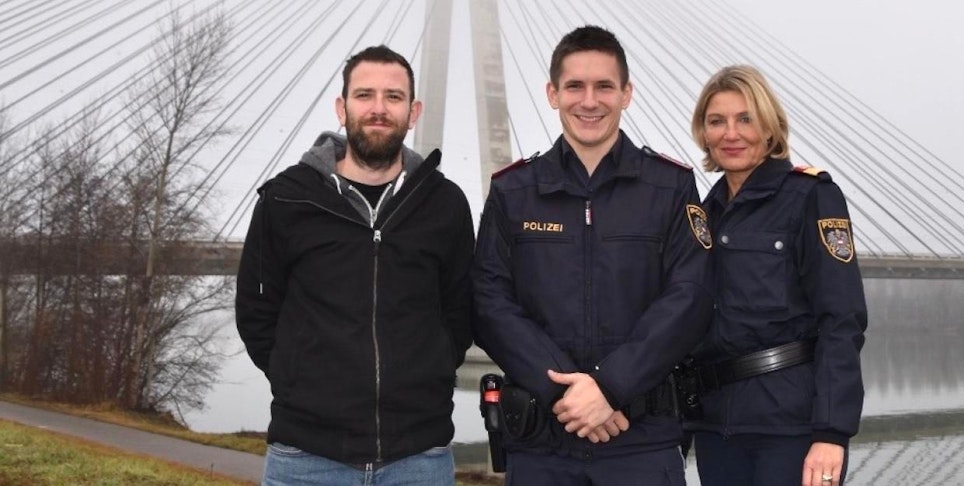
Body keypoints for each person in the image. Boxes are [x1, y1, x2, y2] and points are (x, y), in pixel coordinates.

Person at [472, 25, 714, 485]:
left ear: (626, 93)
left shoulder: (670, 188)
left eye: (604, 86)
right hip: (541, 444)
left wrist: (610, 387)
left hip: (642, 442)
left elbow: (691, 298)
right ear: (553, 94)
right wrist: (570, 395)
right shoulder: (513, 192)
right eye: (574, 86)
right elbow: (489, 303)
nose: (589, 101)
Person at [235, 45, 475, 485]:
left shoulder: (445, 204)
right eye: (365, 95)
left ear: (413, 111)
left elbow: (460, 311)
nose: (378, 109)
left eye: (393, 97)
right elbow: (256, 312)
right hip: (306, 458)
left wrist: (432, 369)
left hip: (418, 458)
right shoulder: (287, 198)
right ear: (341, 107)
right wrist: (298, 380)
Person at [684, 65, 867, 486]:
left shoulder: (811, 197)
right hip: (717, 428)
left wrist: (831, 432)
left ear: (769, 128)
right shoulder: (700, 215)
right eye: (717, 121)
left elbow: (842, 320)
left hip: (792, 429)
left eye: (746, 119)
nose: (731, 133)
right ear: (704, 133)